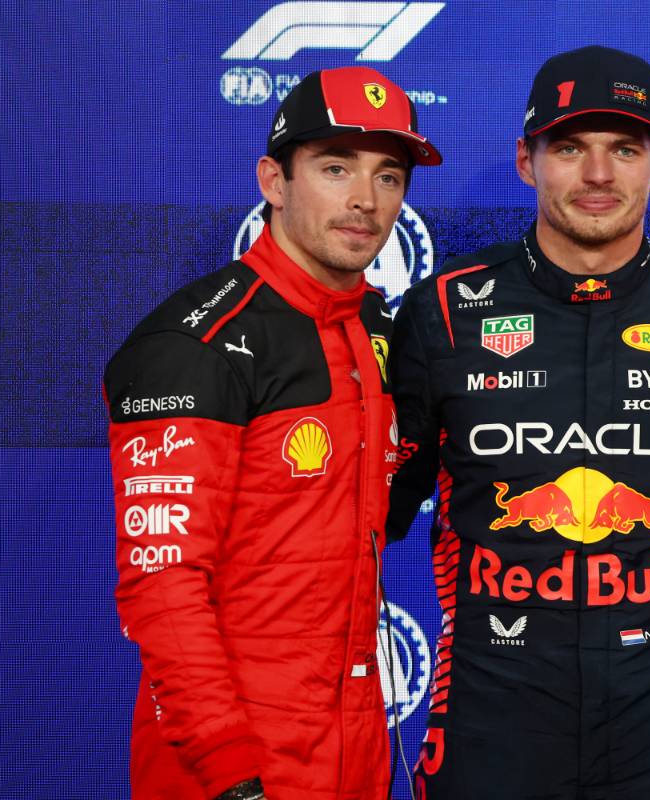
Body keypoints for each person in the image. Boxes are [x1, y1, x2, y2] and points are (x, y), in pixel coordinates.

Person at [385, 45, 650, 799]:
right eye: (570, 148)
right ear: (527, 160)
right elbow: (370, 506)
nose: (599, 175)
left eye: (625, 149)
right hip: (488, 711)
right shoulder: (444, 310)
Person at [104, 66, 441, 800]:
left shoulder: (381, 332)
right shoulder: (194, 344)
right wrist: (229, 769)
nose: (365, 200)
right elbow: (164, 585)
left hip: (353, 748)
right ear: (273, 180)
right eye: (334, 167)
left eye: (389, 176)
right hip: (231, 765)